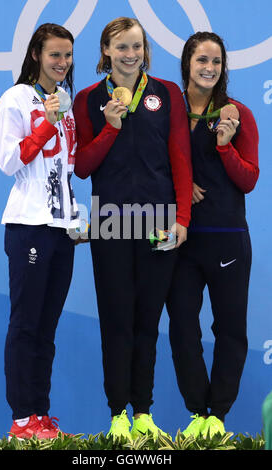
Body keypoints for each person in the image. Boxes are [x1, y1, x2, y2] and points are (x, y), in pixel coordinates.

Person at [73, 17, 192, 440]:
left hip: (158, 222)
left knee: (147, 322)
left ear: (145, 49)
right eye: (121, 47)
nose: (130, 55)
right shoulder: (87, 99)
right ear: (106, 50)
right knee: (116, 321)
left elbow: (180, 156)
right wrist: (110, 126)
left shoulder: (166, 93)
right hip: (110, 221)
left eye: (137, 47)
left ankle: (143, 411)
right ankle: (118, 413)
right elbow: (83, 168)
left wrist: (182, 219)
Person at [165, 31, 259, 439]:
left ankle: (216, 415)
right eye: (201, 59)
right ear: (187, 62)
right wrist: (178, 188)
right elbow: (145, 165)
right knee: (182, 325)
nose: (209, 68)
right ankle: (197, 410)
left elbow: (250, 178)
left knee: (230, 328)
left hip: (227, 236)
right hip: (182, 239)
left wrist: (224, 146)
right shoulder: (166, 111)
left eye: (216, 62)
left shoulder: (237, 113)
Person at [0, 23, 79, 440]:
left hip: (62, 230)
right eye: (54, 55)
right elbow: (8, 160)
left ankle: (41, 415)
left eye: (67, 56)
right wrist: (46, 123)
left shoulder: (66, 103)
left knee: (46, 327)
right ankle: (22, 417)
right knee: (26, 323)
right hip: (28, 225)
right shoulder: (15, 98)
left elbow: (67, 168)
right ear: (35, 56)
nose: (62, 63)